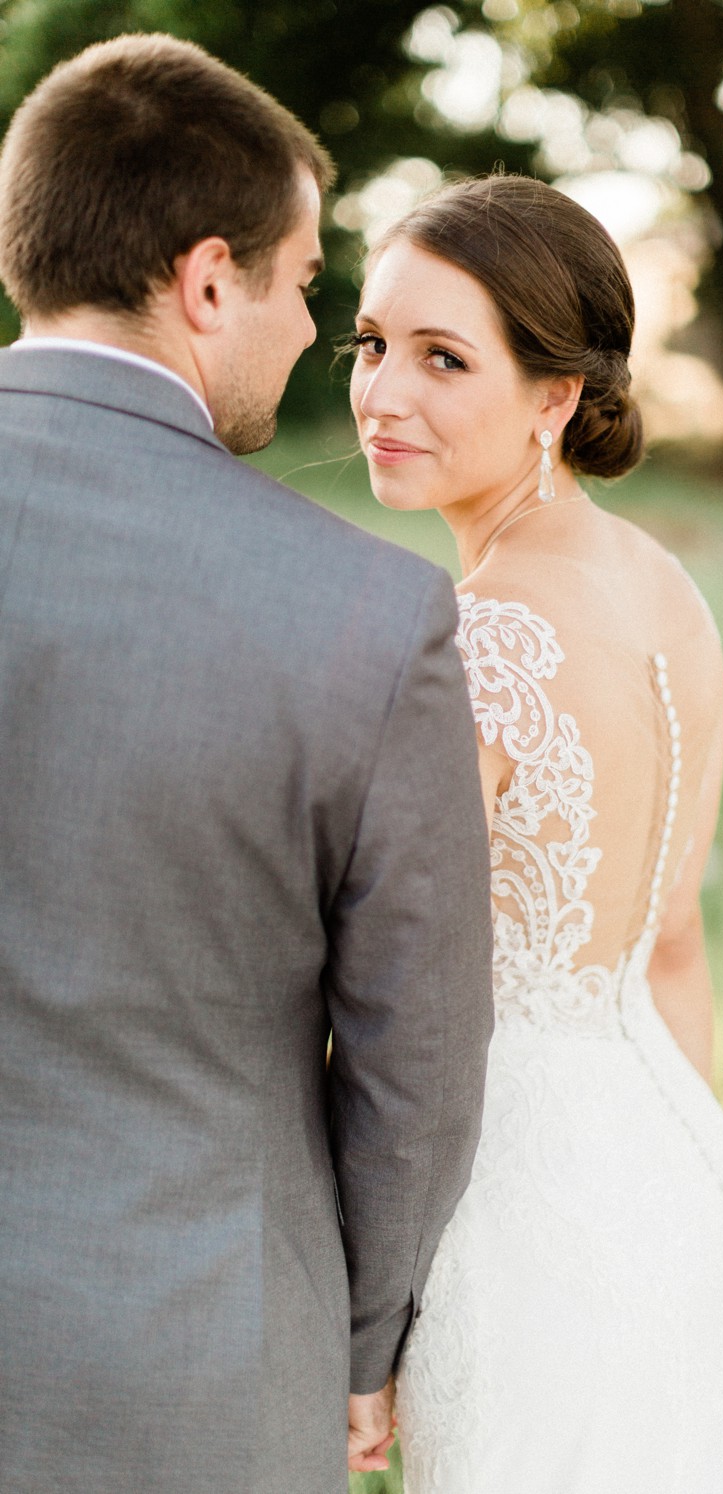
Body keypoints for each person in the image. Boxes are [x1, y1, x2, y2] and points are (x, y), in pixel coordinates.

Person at [0, 35, 494, 1491]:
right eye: (301, 283)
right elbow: (419, 1061)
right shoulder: (362, 613)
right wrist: (360, 1343)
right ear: (208, 280)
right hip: (191, 1367)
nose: (307, 330)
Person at [349, 175, 723, 1492]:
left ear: (556, 397)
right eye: (371, 345)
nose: (384, 393)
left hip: (509, 1194)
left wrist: (364, 1320)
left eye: (444, 358)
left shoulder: (479, 636)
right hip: (669, 1157)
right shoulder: (666, 590)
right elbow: (671, 941)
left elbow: (402, 1007)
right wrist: (689, 1198)